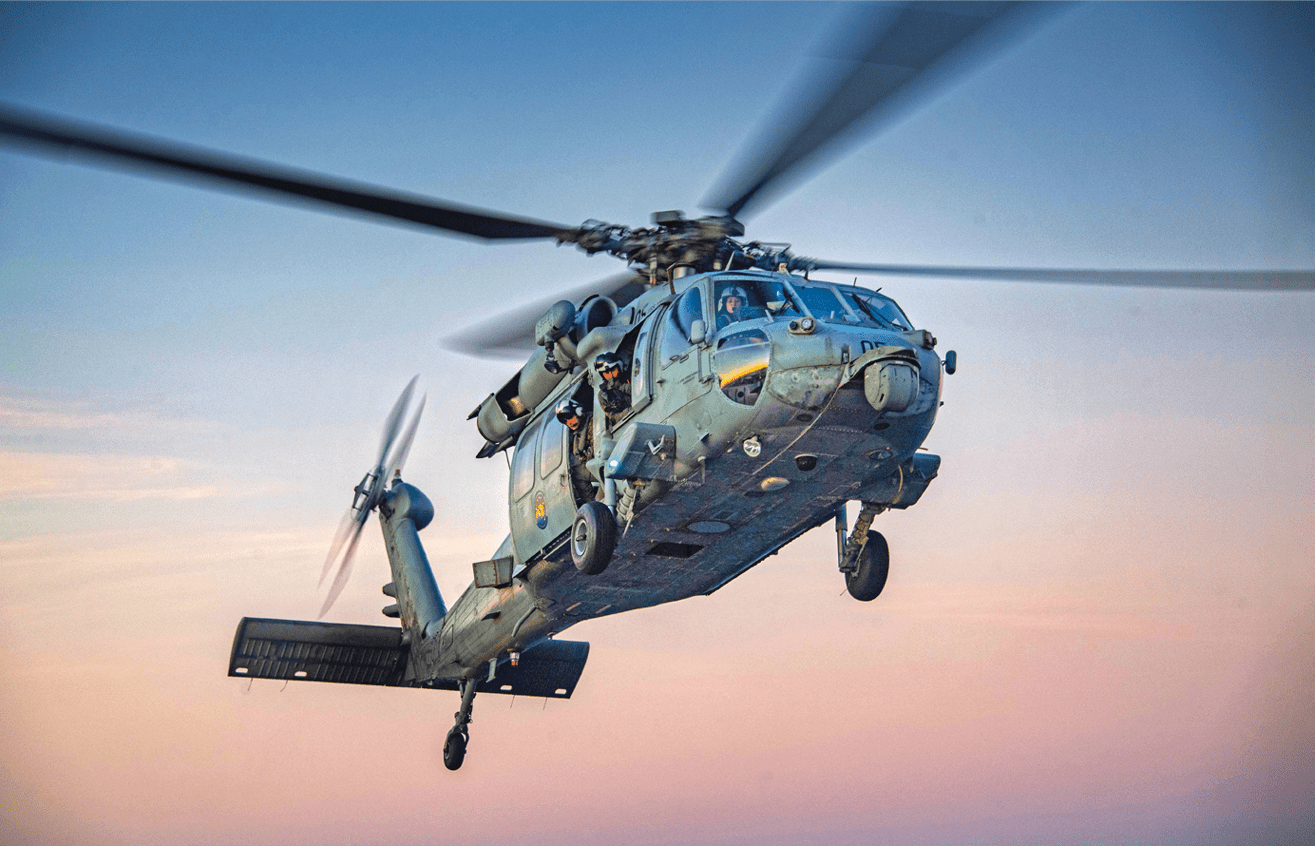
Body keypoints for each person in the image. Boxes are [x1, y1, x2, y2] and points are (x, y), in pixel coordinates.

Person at [555, 397, 597, 504]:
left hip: (607, 461)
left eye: (569, 417)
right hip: (598, 467)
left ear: (579, 411)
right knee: (577, 473)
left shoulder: (594, 421)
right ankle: (592, 505)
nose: (569, 423)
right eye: (565, 421)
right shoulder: (576, 437)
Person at [594, 352, 631, 418]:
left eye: (613, 370)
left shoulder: (631, 375)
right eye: (606, 373)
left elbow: (639, 390)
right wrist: (628, 411)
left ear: (619, 367)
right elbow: (613, 417)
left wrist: (620, 387)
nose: (611, 375)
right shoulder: (603, 395)